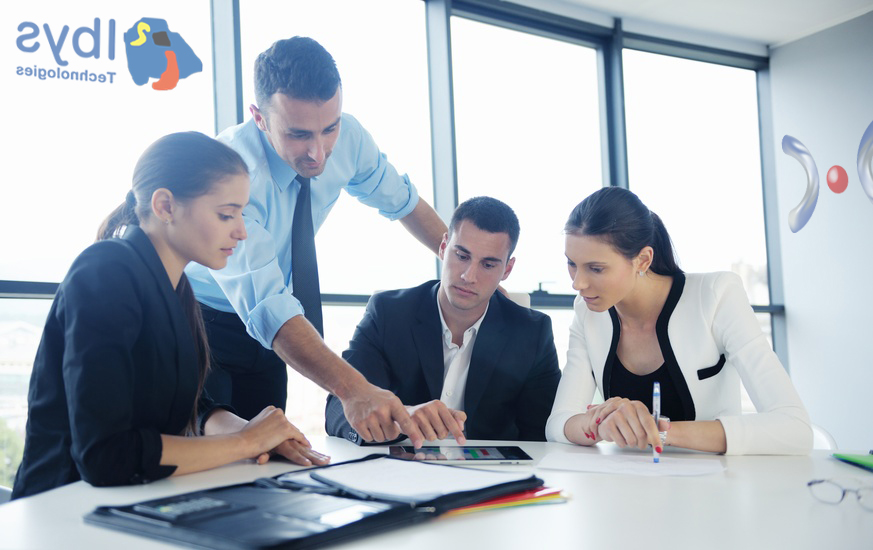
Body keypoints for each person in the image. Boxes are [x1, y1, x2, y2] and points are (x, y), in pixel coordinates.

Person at [12, 132, 328, 500]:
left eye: (242, 213)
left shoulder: (178, 290)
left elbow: (190, 406)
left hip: (134, 502)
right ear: (165, 206)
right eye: (226, 214)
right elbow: (105, 455)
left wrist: (257, 435)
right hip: (62, 509)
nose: (241, 231)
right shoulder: (105, 272)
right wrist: (244, 442)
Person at [186, 36, 447, 447]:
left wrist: (463, 263)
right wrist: (355, 390)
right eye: (298, 135)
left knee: (268, 457)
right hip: (199, 321)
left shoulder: (350, 140)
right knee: (207, 445)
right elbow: (268, 306)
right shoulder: (233, 174)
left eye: (329, 128)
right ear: (259, 117)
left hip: (274, 335)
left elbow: (404, 202)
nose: (318, 153)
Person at [546, 187, 812, 455]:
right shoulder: (586, 312)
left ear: (643, 259)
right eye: (572, 264)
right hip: (624, 485)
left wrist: (657, 431)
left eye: (596, 268)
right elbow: (558, 424)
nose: (577, 283)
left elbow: (795, 429)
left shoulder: (716, 295)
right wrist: (600, 426)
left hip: (711, 487)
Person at [325, 197, 561, 444]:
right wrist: (400, 418)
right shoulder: (388, 313)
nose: (469, 276)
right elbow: (338, 409)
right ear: (443, 247)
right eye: (461, 256)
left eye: (488, 264)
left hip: (492, 475)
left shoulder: (532, 332)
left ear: (507, 270)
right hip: (401, 471)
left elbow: (541, 434)